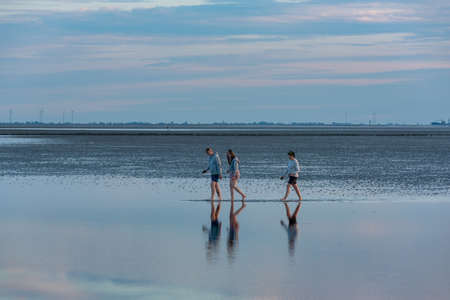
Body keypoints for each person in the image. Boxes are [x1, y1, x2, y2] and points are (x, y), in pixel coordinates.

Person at [227, 196, 246, 262]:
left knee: (232, 216)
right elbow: (235, 235)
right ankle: (242, 207)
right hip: (234, 227)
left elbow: (235, 234)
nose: (227, 248)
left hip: (234, 227)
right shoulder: (231, 239)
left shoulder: (231, 239)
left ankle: (242, 206)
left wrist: (233, 229)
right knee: (232, 216)